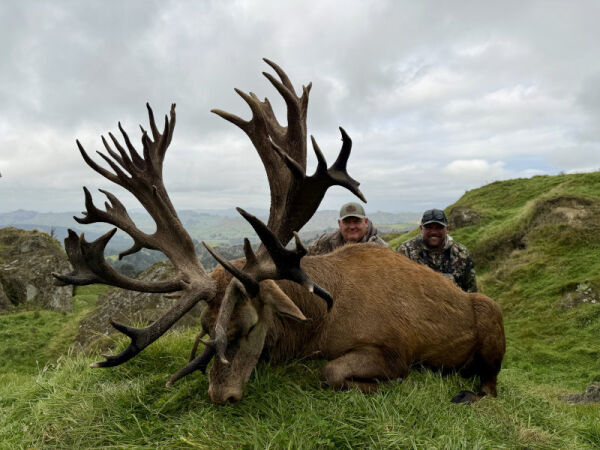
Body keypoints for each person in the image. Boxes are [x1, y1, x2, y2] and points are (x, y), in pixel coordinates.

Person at [397, 208, 477, 292]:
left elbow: (471, 291)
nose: (434, 232)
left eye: (439, 227)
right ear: (421, 229)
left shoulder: (461, 253)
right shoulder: (405, 251)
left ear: (447, 228)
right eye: (429, 227)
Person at [307, 202, 390, 255]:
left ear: (366, 222)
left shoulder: (382, 249)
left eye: (356, 221)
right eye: (347, 222)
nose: (352, 227)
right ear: (339, 224)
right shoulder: (325, 242)